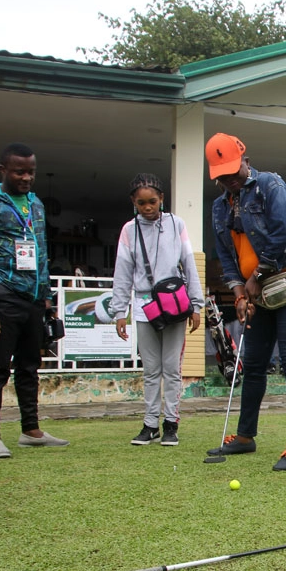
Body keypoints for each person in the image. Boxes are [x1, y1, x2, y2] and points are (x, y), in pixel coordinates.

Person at [205, 133, 286, 471]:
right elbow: (226, 255)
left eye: (232, 170)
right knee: (253, 363)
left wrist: (257, 276)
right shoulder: (219, 206)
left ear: (244, 157)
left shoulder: (270, 186)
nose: (229, 179)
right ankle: (244, 436)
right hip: (257, 290)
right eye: (221, 175)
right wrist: (239, 292)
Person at [0, 143, 68, 458]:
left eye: (31, 172)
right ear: (3, 170)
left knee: (30, 366)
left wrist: (47, 297)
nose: (26, 178)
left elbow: (40, 254)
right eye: (19, 171)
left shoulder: (36, 204)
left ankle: (30, 429)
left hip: (33, 299)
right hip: (2, 296)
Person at [110, 173, 203, 447]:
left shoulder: (177, 224)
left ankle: (171, 424)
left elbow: (188, 262)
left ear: (161, 199)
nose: (148, 207)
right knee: (150, 370)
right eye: (141, 203)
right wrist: (119, 312)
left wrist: (196, 305)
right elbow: (122, 272)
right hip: (143, 307)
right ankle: (150, 424)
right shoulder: (129, 230)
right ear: (133, 203)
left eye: (152, 201)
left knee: (172, 368)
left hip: (175, 304)